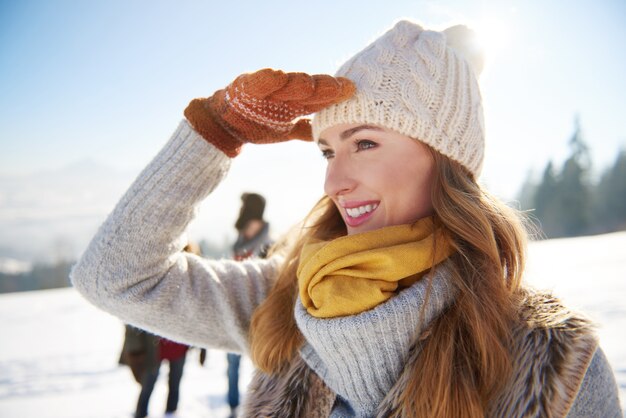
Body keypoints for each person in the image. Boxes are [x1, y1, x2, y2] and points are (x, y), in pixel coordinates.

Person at [72, 19, 621, 417]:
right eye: (328, 151)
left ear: (446, 158)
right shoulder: (286, 299)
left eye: (364, 143)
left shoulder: (552, 363)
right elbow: (115, 276)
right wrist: (214, 133)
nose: (334, 183)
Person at [226, 192, 273, 417]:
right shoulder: (238, 246)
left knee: (263, 368)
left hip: (262, 319)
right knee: (232, 364)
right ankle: (233, 407)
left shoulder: (268, 247)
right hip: (237, 314)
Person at [119, 325, 189, 418]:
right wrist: (134, 350)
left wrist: (201, 344)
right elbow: (132, 323)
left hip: (179, 348)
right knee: (147, 385)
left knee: (175, 384)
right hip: (152, 349)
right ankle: (141, 414)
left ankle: (171, 412)